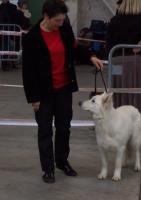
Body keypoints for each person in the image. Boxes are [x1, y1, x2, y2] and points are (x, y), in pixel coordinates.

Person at [22, 0, 103, 184]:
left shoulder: (64, 30)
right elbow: (28, 71)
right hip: (43, 93)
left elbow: (75, 49)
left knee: (64, 128)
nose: (61, 23)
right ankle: (48, 169)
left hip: (64, 88)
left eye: (62, 19)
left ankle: (62, 161)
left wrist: (91, 56)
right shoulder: (32, 38)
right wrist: (33, 98)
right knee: (44, 131)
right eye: (57, 20)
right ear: (46, 17)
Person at [106, 0, 141, 111]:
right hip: (136, 62)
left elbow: (108, 43)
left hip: (117, 61)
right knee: (136, 91)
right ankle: (134, 115)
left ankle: (117, 114)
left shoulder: (114, 20)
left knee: (117, 90)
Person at [0, 0, 17, 71]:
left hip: (9, 29)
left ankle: (11, 63)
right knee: (5, 47)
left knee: (9, 46)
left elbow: (13, 18)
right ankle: (5, 64)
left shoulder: (13, 7)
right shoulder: (0, 7)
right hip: (3, 30)